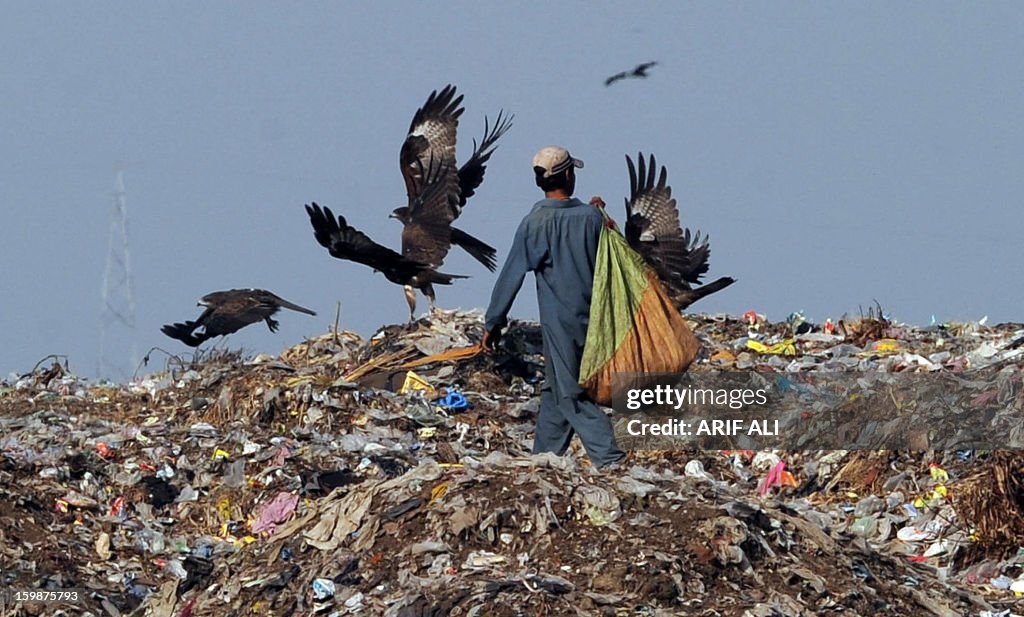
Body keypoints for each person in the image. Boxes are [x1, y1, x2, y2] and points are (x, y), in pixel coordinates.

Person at [482, 146, 626, 469]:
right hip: (595, 321)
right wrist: (600, 214)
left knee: (570, 395)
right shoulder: (591, 218)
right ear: (570, 175)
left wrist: (493, 323)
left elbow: (511, 277)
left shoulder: (535, 223)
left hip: (559, 325)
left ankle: (610, 458)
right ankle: (544, 459)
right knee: (555, 389)